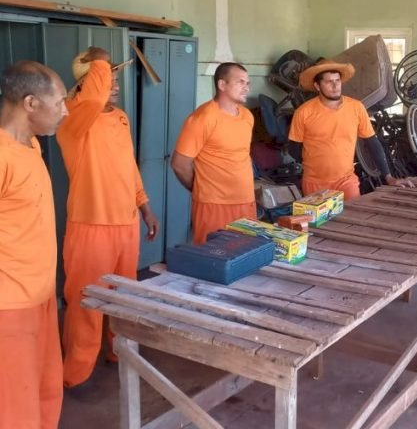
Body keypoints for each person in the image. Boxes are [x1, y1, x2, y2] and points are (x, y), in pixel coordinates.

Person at [57, 47, 159, 391]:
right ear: (86, 84)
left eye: (116, 78)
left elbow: (128, 167)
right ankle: (76, 373)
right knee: (86, 302)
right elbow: (93, 97)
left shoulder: (120, 117)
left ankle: (120, 352)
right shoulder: (73, 117)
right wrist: (99, 58)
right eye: (107, 78)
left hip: (125, 224)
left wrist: (144, 206)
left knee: (123, 297)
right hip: (91, 226)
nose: (114, 85)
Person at [0, 61, 68, 428]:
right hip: (9, 308)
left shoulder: (31, 146)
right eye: (59, 102)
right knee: (15, 409)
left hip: (41, 298)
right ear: (30, 103)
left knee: (46, 392)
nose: (65, 111)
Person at [288, 60, 412, 200]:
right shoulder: (303, 112)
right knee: (318, 216)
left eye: (337, 80)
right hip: (314, 183)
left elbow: (372, 143)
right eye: (329, 82)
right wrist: (317, 162)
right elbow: (294, 148)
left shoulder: (356, 107)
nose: (335, 86)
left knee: (354, 212)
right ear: (317, 86)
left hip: (346, 181)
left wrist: (389, 177)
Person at [171, 62, 257, 244]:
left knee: (245, 253)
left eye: (248, 83)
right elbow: (179, 164)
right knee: (214, 255)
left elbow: (243, 155)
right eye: (240, 82)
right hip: (214, 205)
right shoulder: (202, 118)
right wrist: (200, 188)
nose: (246, 88)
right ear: (222, 85)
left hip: (245, 201)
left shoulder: (247, 116)